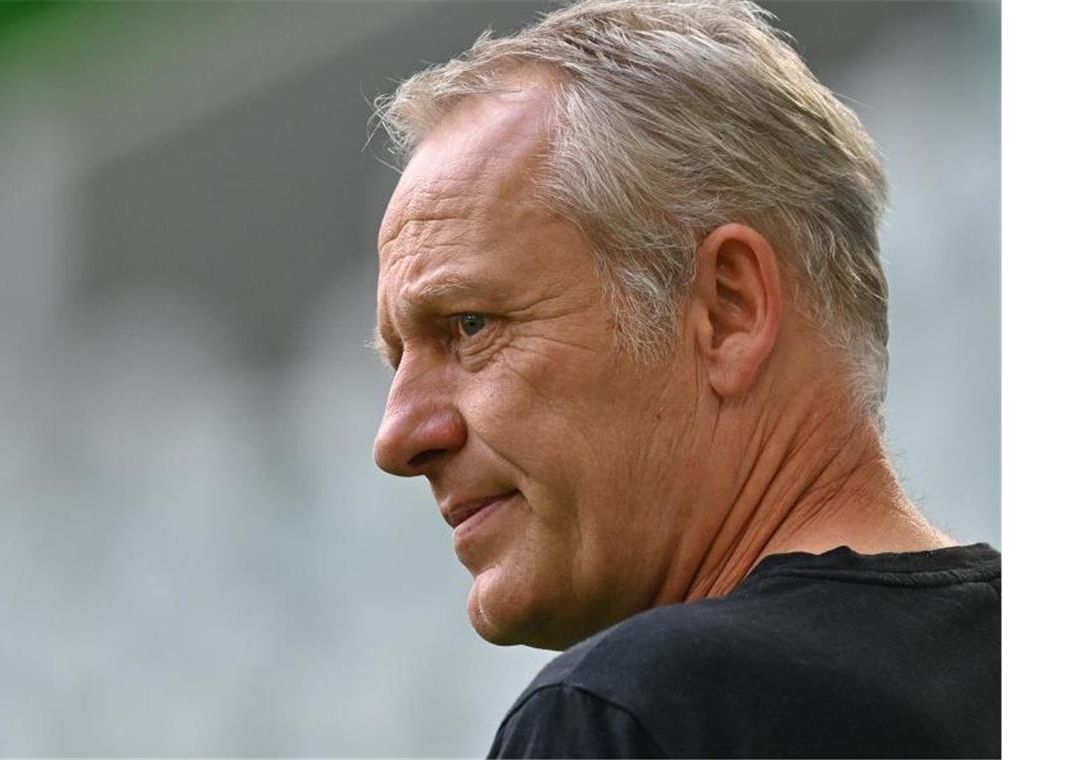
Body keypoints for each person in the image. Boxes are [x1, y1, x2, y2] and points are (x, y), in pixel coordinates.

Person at [369, 0, 1000, 757]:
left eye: (470, 326)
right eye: (396, 359)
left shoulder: (631, 716)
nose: (398, 436)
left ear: (728, 310)